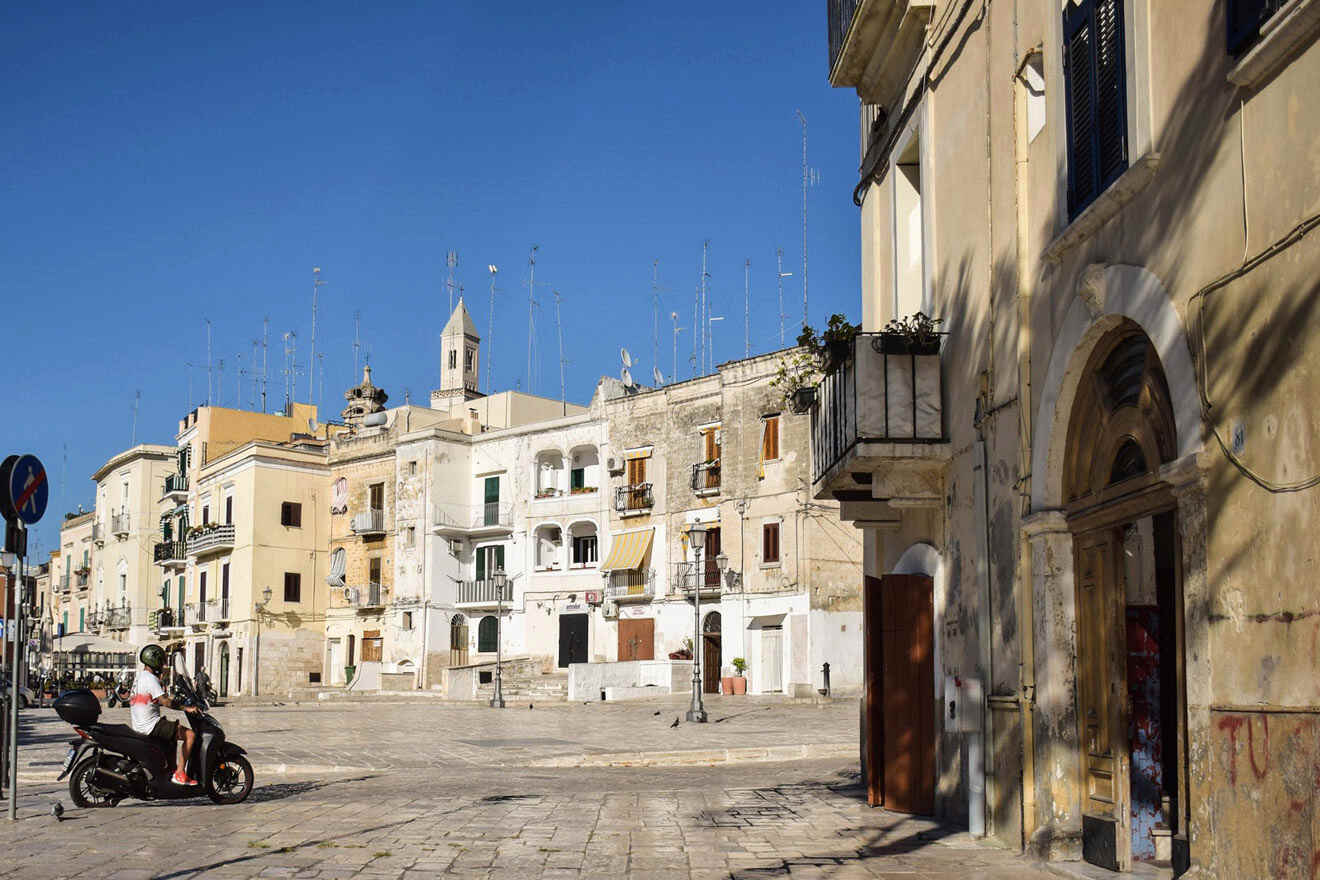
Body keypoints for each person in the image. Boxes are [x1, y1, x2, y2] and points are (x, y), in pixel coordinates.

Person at [130, 644, 199, 786]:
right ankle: (180, 774)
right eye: (162, 661)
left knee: (172, 731)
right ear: (155, 662)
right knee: (190, 735)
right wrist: (187, 708)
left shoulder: (140, 677)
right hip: (151, 725)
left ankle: (170, 769)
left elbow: (149, 699)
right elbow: (166, 702)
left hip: (140, 724)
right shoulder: (150, 679)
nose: (163, 665)